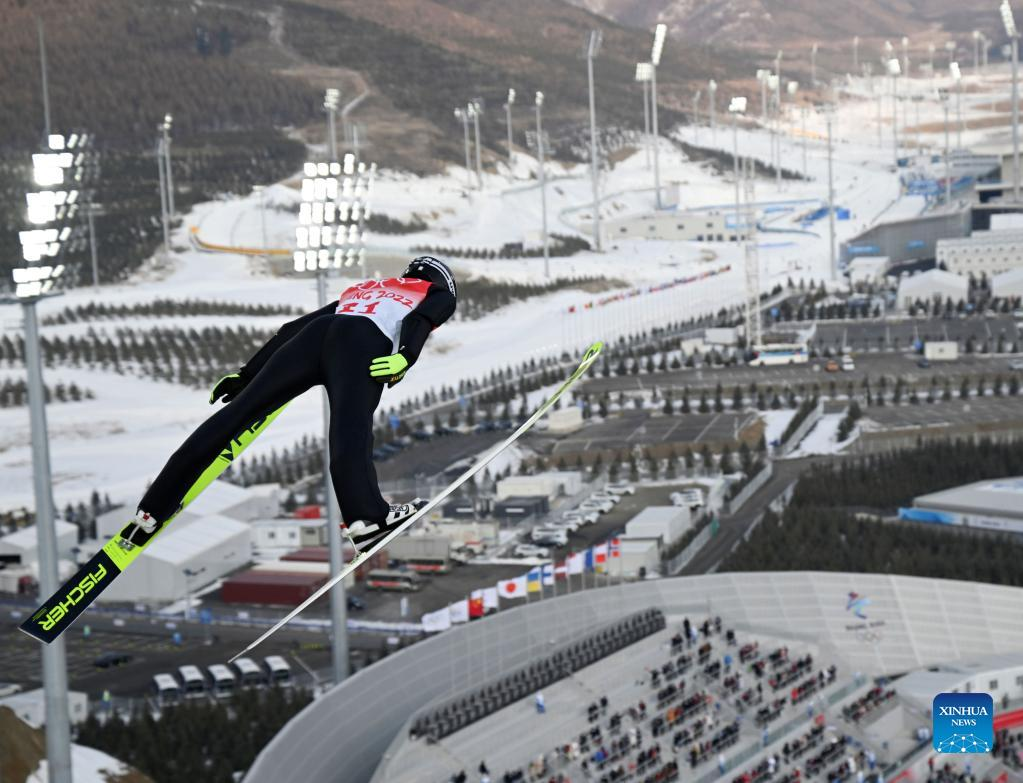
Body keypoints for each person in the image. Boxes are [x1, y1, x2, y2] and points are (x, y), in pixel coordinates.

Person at [129, 257, 457, 549]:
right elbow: (423, 320)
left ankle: (153, 507)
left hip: (318, 335)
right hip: (363, 341)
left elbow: (291, 329)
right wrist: (406, 356)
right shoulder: (436, 292)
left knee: (236, 415)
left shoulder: (368, 286)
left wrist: (246, 377)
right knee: (350, 427)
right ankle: (366, 517)